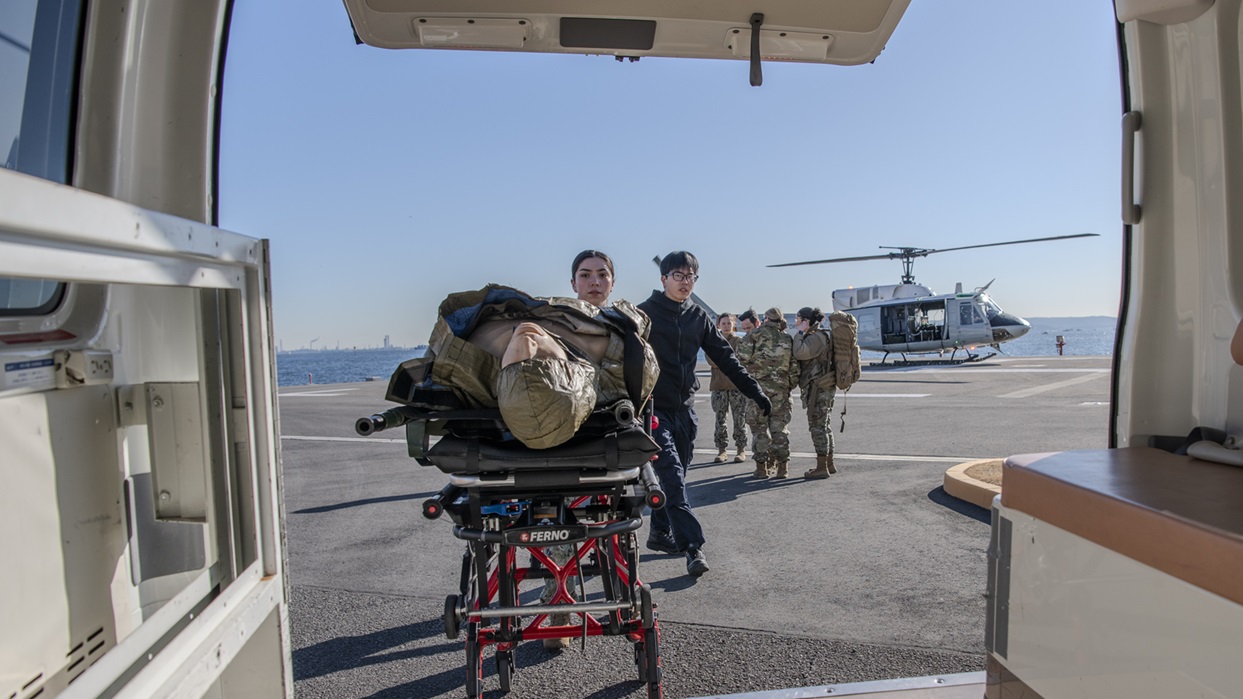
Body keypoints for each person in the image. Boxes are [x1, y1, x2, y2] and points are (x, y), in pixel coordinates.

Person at [639, 251, 770, 577]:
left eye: (691, 277)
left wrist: (755, 391)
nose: (685, 282)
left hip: (685, 411)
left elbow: (726, 358)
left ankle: (659, 531)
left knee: (677, 476)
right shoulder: (644, 315)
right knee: (672, 478)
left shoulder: (697, 317)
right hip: (654, 411)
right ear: (664, 278)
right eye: (679, 275)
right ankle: (693, 547)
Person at [539, 249, 617, 649]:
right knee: (557, 514)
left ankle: (608, 595)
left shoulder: (626, 324)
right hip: (563, 433)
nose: (594, 281)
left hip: (609, 432)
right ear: (573, 283)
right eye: (586, 275)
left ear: (612, 282)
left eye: (602, 274)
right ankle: (559, 603)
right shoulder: (554, 323)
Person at [736, 307, 799, 479]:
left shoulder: (753, 336)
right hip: (780, 391)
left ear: (765, 319)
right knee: (779, 430)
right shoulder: (787, 338)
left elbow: (740, 361)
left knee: (759, 430)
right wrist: (788, 386)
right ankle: (782, 468)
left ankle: (761, 468)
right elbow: (794, 368)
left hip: (758, 391)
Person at [793, 306, 838, 479]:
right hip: (823, 386)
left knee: (818, 427)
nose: (796, 322)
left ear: (806, 321)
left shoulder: (815, 338)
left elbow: (799, 353)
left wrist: (799, 333)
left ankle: (821, 467)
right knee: (824, 426)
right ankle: (829, 464)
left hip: (818, 389)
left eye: (798, 319)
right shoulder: (819, 335)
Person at [707, 313, 749, 463]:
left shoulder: (739, 341)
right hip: (718, 386)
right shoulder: (712, 341)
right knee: (720, 419)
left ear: (733, 324)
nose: (726, 326)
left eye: (728, 323)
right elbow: (711, 360)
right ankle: (722, 450)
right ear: (718, 325)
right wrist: (728, 362)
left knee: (739, 418)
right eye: (723, 323)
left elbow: (740, 360)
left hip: (736, 386)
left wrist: (724, 362)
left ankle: (741, 449)